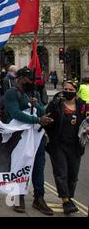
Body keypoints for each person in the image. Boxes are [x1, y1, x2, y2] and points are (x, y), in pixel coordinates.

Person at [3, 67, 54, 215]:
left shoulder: (34, 93)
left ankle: (39, 198)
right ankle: (18, 196)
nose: (32, 82)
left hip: (36, 137)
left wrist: (36, 105)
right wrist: (37, 119)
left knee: (38, 166)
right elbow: (15, 113)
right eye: (29, 79)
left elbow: (42, 111)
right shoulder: (11, 93)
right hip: (19, 137)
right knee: (19, 164)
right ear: (20, 78)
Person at [45, 80, 87, 214]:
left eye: (70, 90)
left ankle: (69, 198)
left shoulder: (82, 106)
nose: (67, 92)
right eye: (65, 89)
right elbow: (47, 118)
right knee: (61, 173)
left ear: (76, 91)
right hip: (58, 144)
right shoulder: (57, 104)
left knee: (73, 174)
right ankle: (65, 200)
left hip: (75, 145)